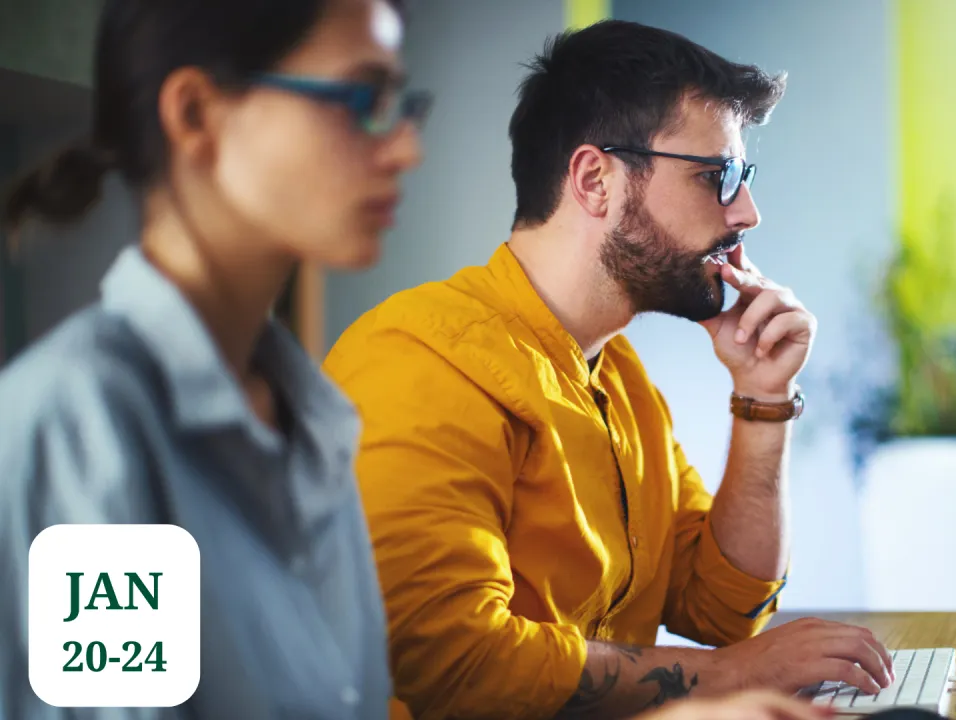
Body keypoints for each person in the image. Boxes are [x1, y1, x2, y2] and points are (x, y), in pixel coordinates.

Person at [324, 19, 894, 720]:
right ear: (596, 180)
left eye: (743, 178)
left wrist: (763, 396)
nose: (748, 211)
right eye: (717, 177)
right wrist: (727, 676)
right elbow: (454, 661)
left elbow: (723, 608)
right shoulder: (420, 361)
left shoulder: (616, 377)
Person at [0, 0, 425, 716]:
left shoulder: (314, 425)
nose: (406, 147)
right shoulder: (84, 431)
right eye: (362, 98)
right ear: (196, 114)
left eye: (398, 101)